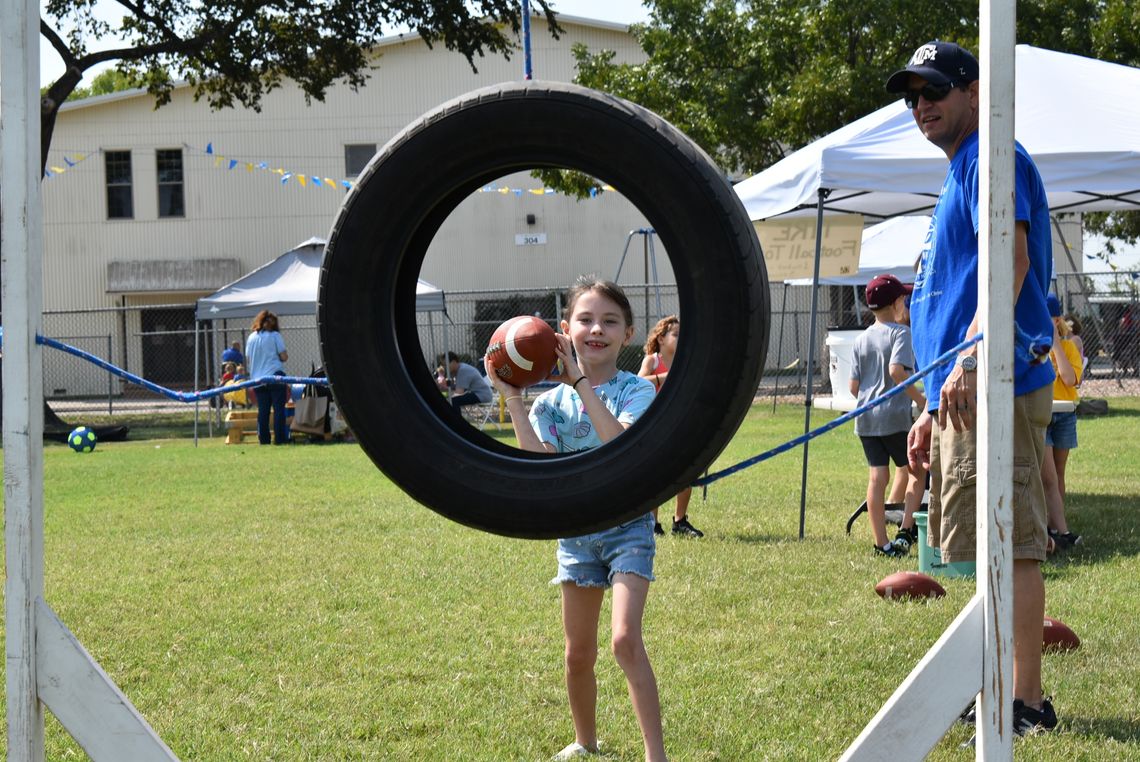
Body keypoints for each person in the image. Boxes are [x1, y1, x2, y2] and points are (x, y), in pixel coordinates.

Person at [888, 41, 1058, 737]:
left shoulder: (994, 156)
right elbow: (951, 292)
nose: (921, 105)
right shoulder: (963, 167)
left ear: (973, 91)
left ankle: (1025, 703)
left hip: (998, 379)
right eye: (912, 97)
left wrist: (973, 357)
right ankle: (989, 682)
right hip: (963, 386)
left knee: (1010, 541)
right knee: (976, 543)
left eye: (935, 90)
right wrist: (933, 403)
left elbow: (1010, 261)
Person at [487, 277, 665, 762]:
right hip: (577, 536)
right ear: (564, 331)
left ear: (628, 334)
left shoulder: (637, 390)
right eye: (586, 319)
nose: (597, 330)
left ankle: (657, 755)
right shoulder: (549, 404)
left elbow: (618, 444)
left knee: (625, 640)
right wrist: (516, 397)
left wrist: (581, 383)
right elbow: (537, 466)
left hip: (628, 526)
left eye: (610, 321)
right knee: (577, 654)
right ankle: (586, 742)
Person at [849, 274, 927, 558]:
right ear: (897, 303)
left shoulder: (860, 339)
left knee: (877, 478)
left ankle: (881, 544)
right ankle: (905, 532)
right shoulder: (900, 333)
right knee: (917, 471)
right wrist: (922, 400)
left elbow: (853, 386)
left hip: (866, 420)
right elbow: (897, 371)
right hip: (893, 418)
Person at [638, 315, 701, 538]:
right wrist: (666, 377)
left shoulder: (685, 360)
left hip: (680, 423)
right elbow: (639, 383)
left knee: (685, 471)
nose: (681, 338)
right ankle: (653, 524)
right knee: (655, 474)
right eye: (675, 334)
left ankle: (680, 521)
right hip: (655, 424)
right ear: (661, 339)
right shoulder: (652, 361)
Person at [1042, 294, 1082, 550]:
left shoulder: (1068, 348)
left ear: (1057, 320)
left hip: (1065, 414)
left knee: (1058, 474)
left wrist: (1056, 344)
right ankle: (1057, 530)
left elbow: (1070, 380)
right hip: (1042, 414)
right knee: (1047, 477)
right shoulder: (1034, 349)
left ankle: (1056, 526)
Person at [245, 310, 290, 445]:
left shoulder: (251, 337)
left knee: (263, 411)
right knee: (278, 409)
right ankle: (280, 439)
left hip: (258, 379)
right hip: (275, 375)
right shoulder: (275, 335)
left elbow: (248, 359)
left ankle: (264, 440)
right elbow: (284, 357)